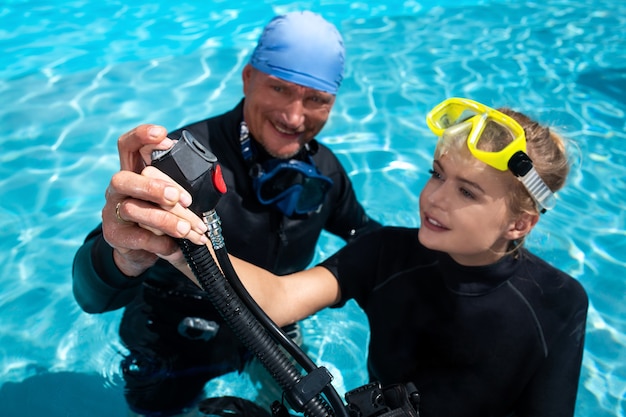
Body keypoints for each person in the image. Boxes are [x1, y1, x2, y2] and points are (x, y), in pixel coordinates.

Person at [159, 97, 588, 416]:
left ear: (520, 224)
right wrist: (177, 240)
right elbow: (277, 298)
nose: (434, 198)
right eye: (436, 174)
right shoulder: (388, 252)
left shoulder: (558, 302)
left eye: (466, 191)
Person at [72, 11, 381, 417]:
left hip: (272, 330)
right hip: (174, 337)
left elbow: (369, 237)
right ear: (248, 77)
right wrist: (125, 256)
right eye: (279, 88)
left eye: (316, 100)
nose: (294, 117)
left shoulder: (324, 171)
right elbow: (90, 295)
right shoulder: (181, 161)